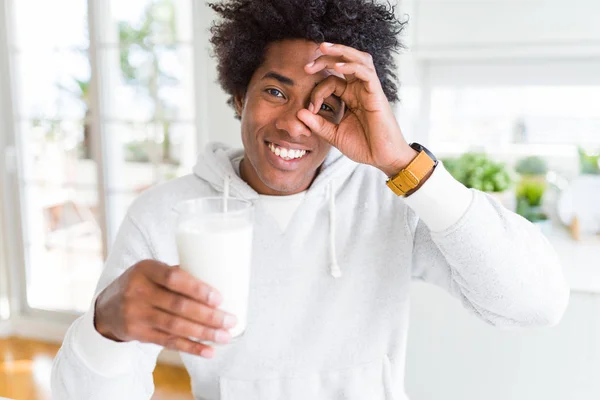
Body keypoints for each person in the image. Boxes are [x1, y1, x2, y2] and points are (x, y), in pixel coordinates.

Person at [51, 0, 570, 399]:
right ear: (239, 96)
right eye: (275, 92)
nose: (296, 122)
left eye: (326, 102)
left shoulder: (391, 198)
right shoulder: (169, 214)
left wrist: (402, 164)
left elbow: (536, 303)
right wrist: (105, 329)